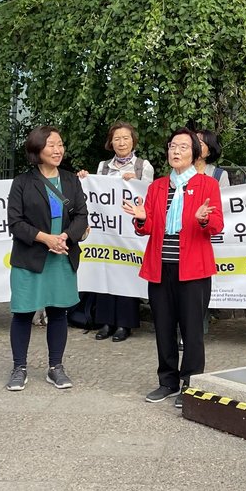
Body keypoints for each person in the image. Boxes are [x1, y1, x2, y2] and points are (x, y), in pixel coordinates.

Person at [123, 127, 224, 407]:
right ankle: (167, 381)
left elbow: (216, 226)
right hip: (160, 268)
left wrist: (203, 218)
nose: (175, 151)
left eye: (182, 147)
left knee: (192, 331)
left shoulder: (207, 185)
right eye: (172, 146)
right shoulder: (157, 187)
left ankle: (191, 384)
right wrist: (142, 218)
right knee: (164, 328)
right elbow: (149, 228)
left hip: (193, 270)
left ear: (194, 153)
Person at [6, 126, 88, 392]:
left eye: (60, 144)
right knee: (23, 312)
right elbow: (15, 222)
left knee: (58, 312)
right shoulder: (22, 182)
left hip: (62, 255)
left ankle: (56, 367)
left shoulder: (71, 180)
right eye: (51, 145)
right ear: (37, 149)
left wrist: (64, 237)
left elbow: (82, 216)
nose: (57, 150)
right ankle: (19, 367)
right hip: (31, 256)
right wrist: (46, 238)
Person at [88, 121, 154, 343]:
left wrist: (135, 182)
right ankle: (106, 322)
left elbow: (149, 194)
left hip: (131, 230)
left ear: (133, 140)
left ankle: (124, 324)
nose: (121, 142)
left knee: (126, 273)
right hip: (108, 229)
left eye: (125, 137)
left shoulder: (143, 166)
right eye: (117, 138)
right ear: (111, 142)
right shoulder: (103, 166)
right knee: (106, 270)